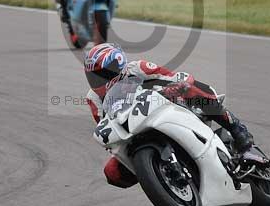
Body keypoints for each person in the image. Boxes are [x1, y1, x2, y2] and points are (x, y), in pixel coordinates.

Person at [83, 43, 255, 189]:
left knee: (189, 89)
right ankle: (159, 177)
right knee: (112, 173)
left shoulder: (138, 68)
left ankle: (238, 130)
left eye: (102, 74)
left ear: (117, 67)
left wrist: (173, 88)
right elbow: (106, 123)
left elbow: (176, 77)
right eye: (93, 76)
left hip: (168, 105)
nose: (97, 80)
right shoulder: (93, 97)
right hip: (134, 128)